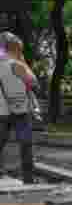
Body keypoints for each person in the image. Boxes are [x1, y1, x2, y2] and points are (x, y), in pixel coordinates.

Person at [0, 32, 38, 183]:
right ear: (16, 48)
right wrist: (23, 63)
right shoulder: (16, 64)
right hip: (20, 110)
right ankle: (28, 179)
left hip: (2, 111)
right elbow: (34, 83)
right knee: (26, 144)